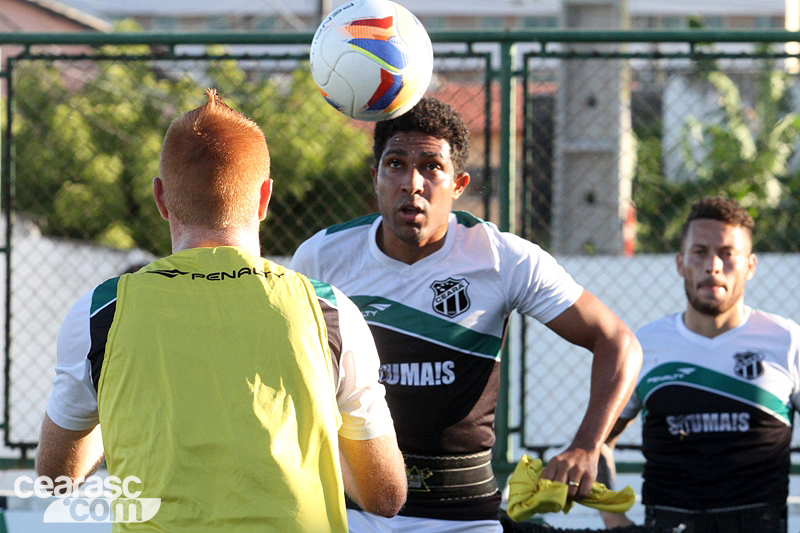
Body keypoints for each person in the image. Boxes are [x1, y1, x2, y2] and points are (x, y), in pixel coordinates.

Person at [35, 89, 407, 533]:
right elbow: (385, 495)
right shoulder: (329, 309)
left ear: (160, 198)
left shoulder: (102, 313)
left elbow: (57, 480)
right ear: (265, 198)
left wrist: (114, 403)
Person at [289, 96, 643, 532]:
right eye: (395, 164)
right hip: (354, 511)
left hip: (463, 516)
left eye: (431, 167)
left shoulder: (503, 258)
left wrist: (587, 445)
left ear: (458, 185)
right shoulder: (322, 257)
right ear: (376, 177)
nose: (412, 183)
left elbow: (618, 341)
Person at [600, 196, 799, 533]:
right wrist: (614, 520)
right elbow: (597, 442)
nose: (713, 266)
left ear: (750, 266)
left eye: (727, 253)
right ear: (680, 263)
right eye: (700, 252)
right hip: (665, 523)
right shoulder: (642, 346)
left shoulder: (787, 341)